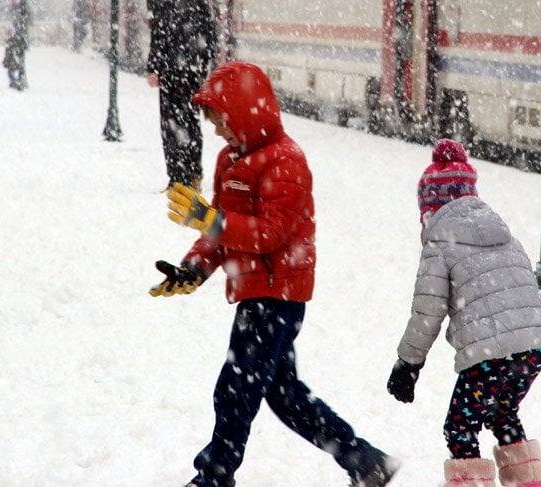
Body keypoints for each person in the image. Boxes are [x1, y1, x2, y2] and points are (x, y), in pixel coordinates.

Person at [150, 61, 398, 487]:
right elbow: (221, 231)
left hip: (279, 296)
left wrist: (209, 219)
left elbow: (268, 234)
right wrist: (192, 269)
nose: (216, 132)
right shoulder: (230, 160)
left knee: (236, 388)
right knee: (284, 396)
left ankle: (214, 476)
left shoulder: (286, 161)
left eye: (220, 121)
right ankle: (364, 461)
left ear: (245, 113)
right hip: (258, 294)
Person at [386, 139, 541, 487]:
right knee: (502, 412)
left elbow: (427, 313)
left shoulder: (440, 242)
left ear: (429, 208)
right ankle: (527, 481)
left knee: (460, 427)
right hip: (537, 343)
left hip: (490, 354)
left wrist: (407, 364)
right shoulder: (504, 234)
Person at [146, 0, 216, 190]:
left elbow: (158, 32)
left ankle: (184, 175)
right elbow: (209, 34)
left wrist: (154, 66)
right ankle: (185, 176)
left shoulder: (171, 5)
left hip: (182, 70)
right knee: (184, 122)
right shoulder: (193, 5)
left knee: (177, 123)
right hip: (182, 71)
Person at [3, 0, 30, 90]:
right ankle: (18, 79)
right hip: (19, 39)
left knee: (14, 60)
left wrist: (15, 37)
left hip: (17, 39)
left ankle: (16, 80)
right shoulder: (19, 11)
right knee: (17, 60)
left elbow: (18, 25)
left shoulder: (18, 11)